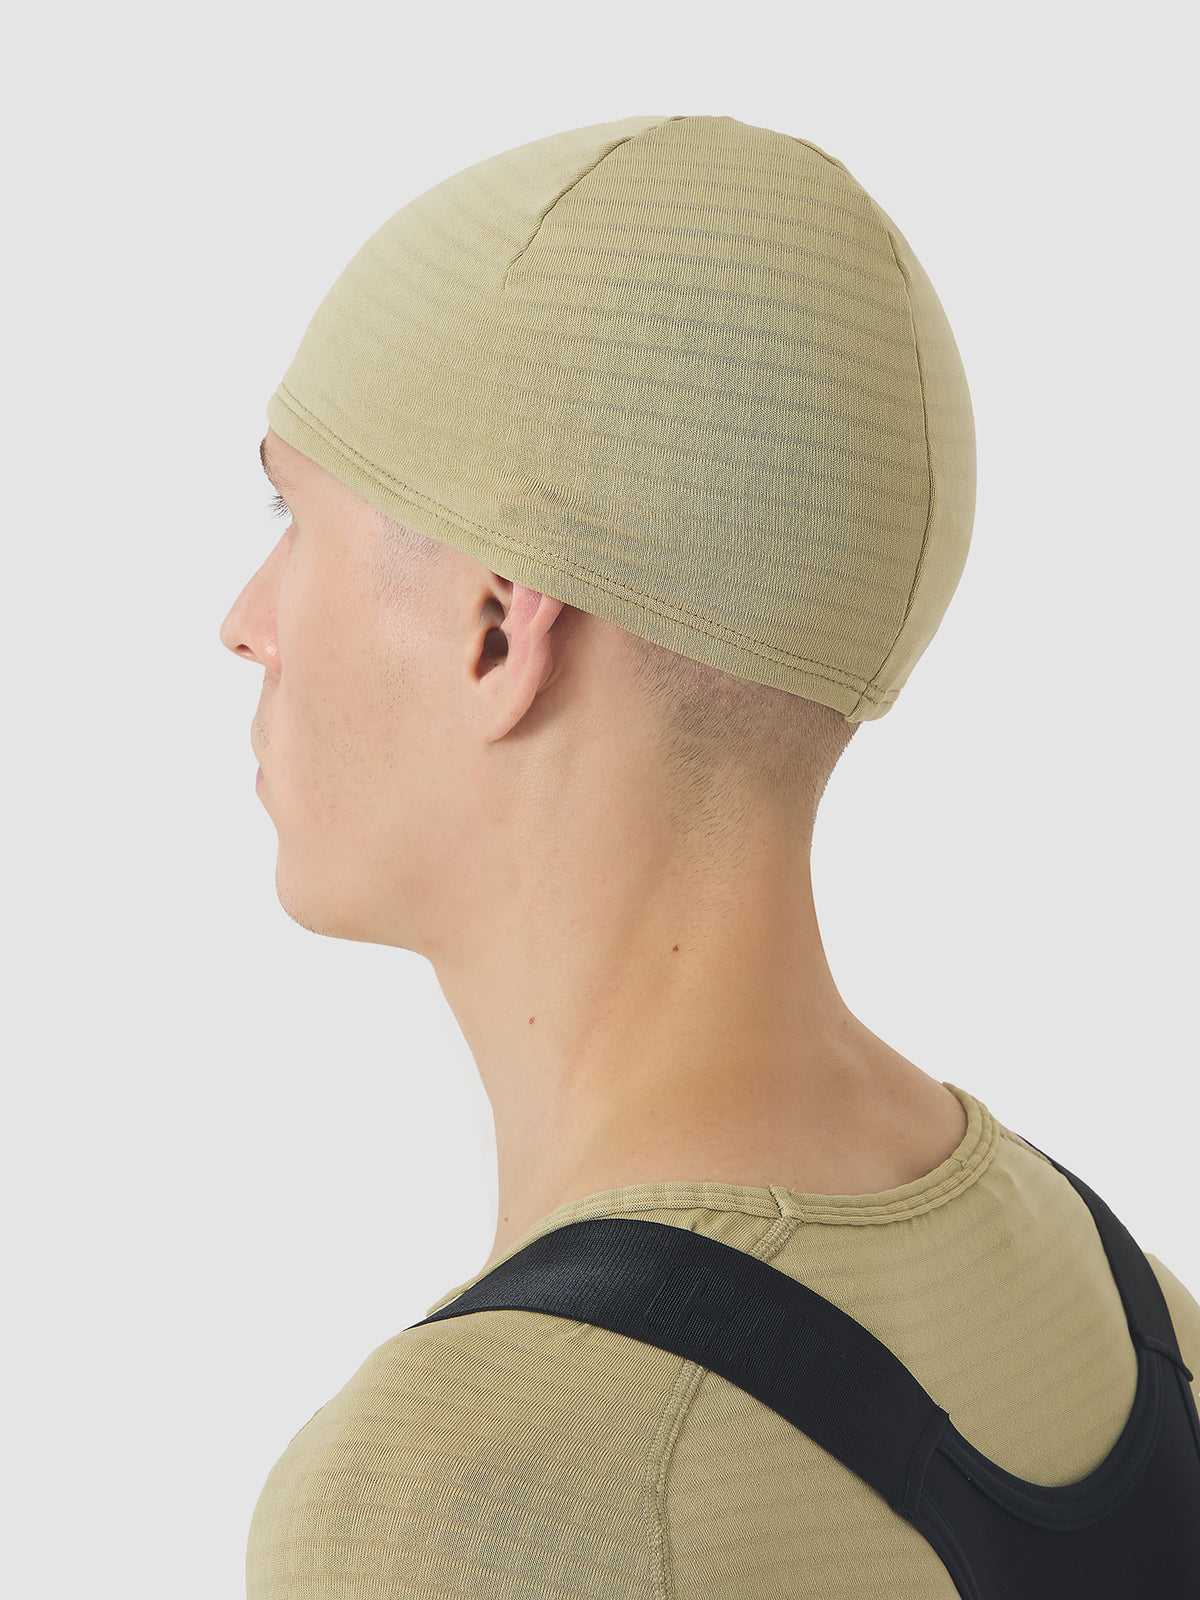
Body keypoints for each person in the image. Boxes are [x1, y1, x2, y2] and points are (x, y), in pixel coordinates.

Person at [220, 114, 1200, 1598]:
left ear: (496, 628)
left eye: (291, 515)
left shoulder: (456, 1505)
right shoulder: (1126, 1314)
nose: (244, 621)